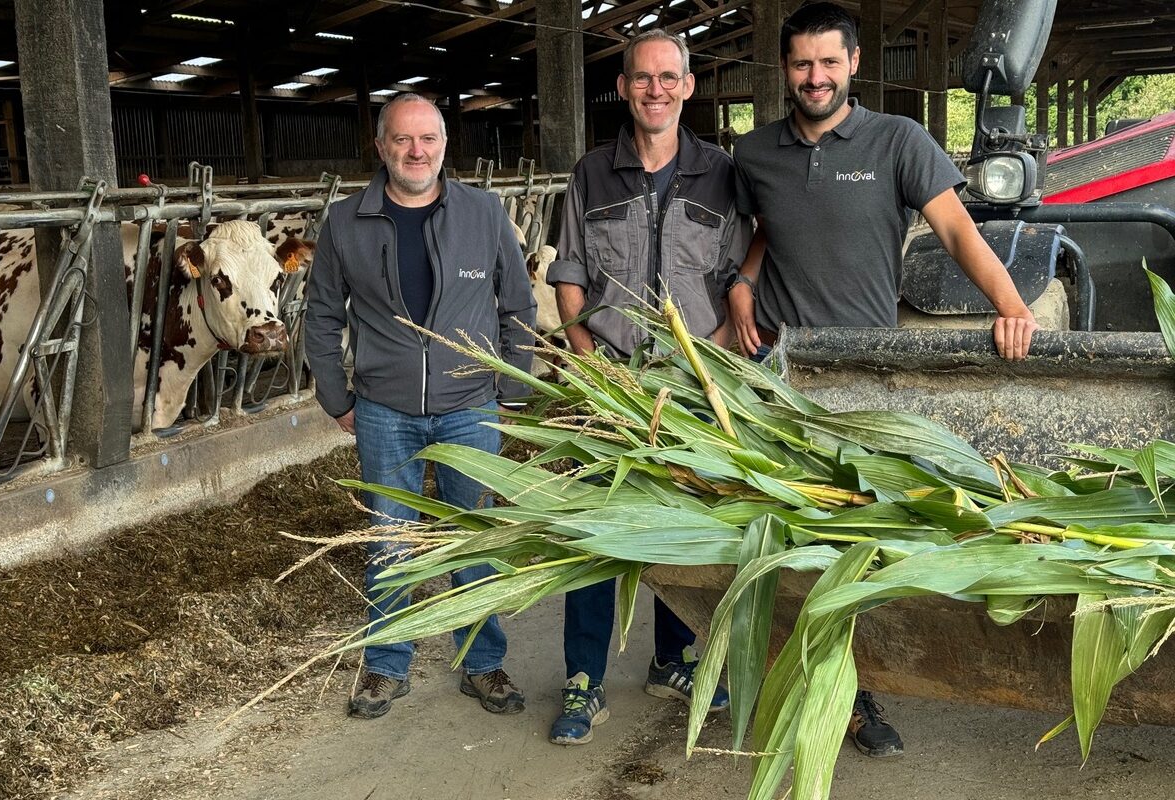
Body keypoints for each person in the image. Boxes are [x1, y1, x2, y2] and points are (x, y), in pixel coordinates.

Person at [727, 2, 1040, 755]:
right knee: (777, 537)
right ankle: (792, 682)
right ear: (784, 70)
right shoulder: (754, 153)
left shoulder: (897, 139)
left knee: (853, 541)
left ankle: (854, 692)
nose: (815, 77)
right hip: (780, 378)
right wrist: (742, 283)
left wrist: (1013, 306)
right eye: (802, 64)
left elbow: (956, 229)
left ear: (854, 64)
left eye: (828, 62)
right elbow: (769, 223)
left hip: (867, 378)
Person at [545, 29, 750, 746]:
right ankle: (583, 678)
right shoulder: (590, 173)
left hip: (692, 387)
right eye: (641, 78)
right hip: (611, 386)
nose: (655, 89)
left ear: (688, 87)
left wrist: (713, 365)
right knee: (595, 535)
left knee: (687, 532)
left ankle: (675, 658)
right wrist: (586, 359)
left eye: (669, 77)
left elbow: (739, 278)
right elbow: (569, 273)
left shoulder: (723, 173)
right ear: (624, 88)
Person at [305, 93, 537, 720]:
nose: (416, 152)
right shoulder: (347, 221)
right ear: (380, 147)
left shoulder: (483, 213)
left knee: (474, 536)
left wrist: (511, 389)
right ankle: (385, 665)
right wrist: (336, 396)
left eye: (428, 139)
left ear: (443, 146)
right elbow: (321, 315)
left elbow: (518, 304)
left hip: (470, 404)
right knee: (389, 538)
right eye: (402, 140)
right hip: (384, 409)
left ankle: (482, 663)